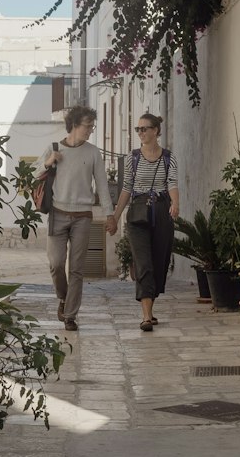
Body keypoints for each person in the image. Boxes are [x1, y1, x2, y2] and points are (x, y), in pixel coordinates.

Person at [41, 105, 113, 332]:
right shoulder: (53, 148)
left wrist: (110, 214)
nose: (90, 130)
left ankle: (70, 315)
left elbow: (102, 184)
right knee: (56, 264)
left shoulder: (93, 152)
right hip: (57, 213)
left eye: (92, 126)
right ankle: (63, 298)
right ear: (73, 124)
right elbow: (33, 173)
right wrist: (48, 162)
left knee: (77, 269)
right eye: (87, 126)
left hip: (83, 216)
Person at [106, 112, 179, 332]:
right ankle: (146, 316)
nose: (141, 133)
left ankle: (150, 309)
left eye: (144, 129)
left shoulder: (168, 157)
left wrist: (175, 203)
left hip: (161, 211)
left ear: (156, 130)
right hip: (138, 214)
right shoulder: (132, 158)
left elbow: (172, 182)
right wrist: (116, 217)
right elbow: (126, 188)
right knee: (143, 263)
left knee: (158, 263)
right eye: (138, 129)